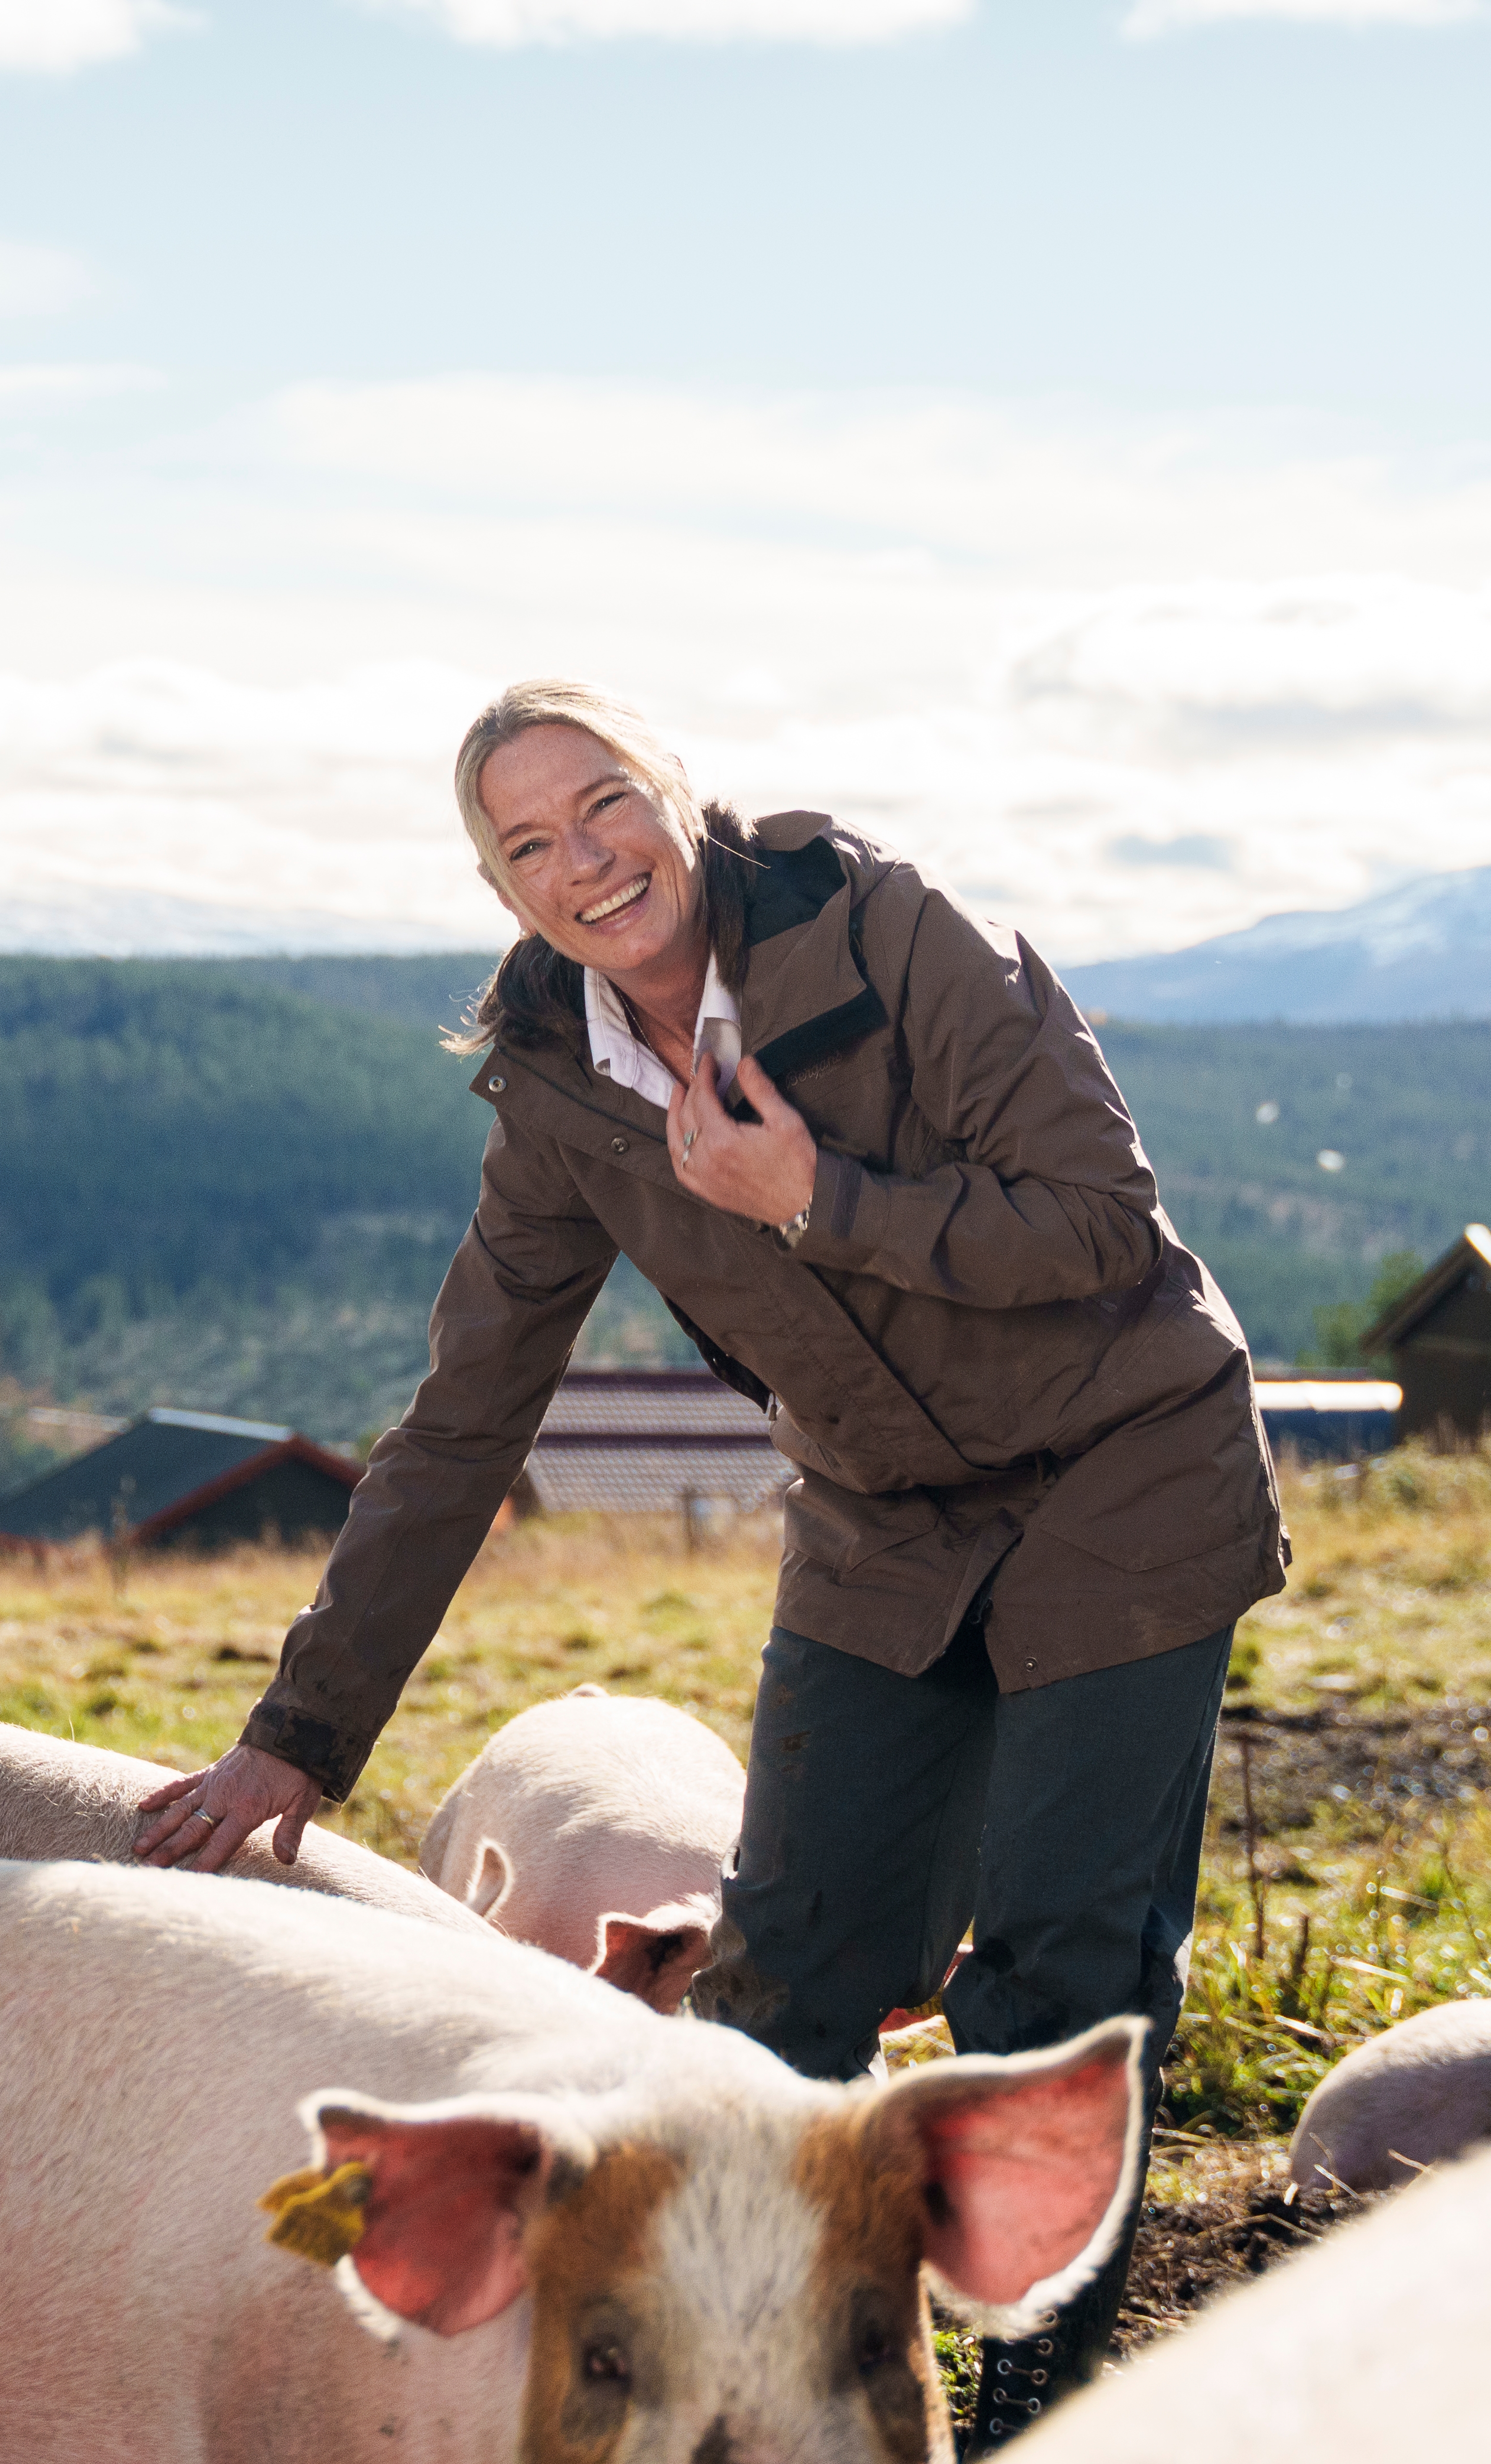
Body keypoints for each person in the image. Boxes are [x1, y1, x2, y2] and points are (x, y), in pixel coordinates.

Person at [134, 679, 1287, 2447]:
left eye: (604, 803)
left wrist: (817, 1200)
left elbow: (1098, 1219)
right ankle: (735, 2372)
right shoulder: (556, 1096)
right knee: (782, 1986)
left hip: (1121, 1468)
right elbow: (463, 1427)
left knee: (1057, 1971)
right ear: (504, 893)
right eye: (530, 844)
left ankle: (1026, 2402)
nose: (584, 860)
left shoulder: (886, 933)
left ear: (676, 794)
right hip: (886, 1513)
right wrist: (301, 1736)